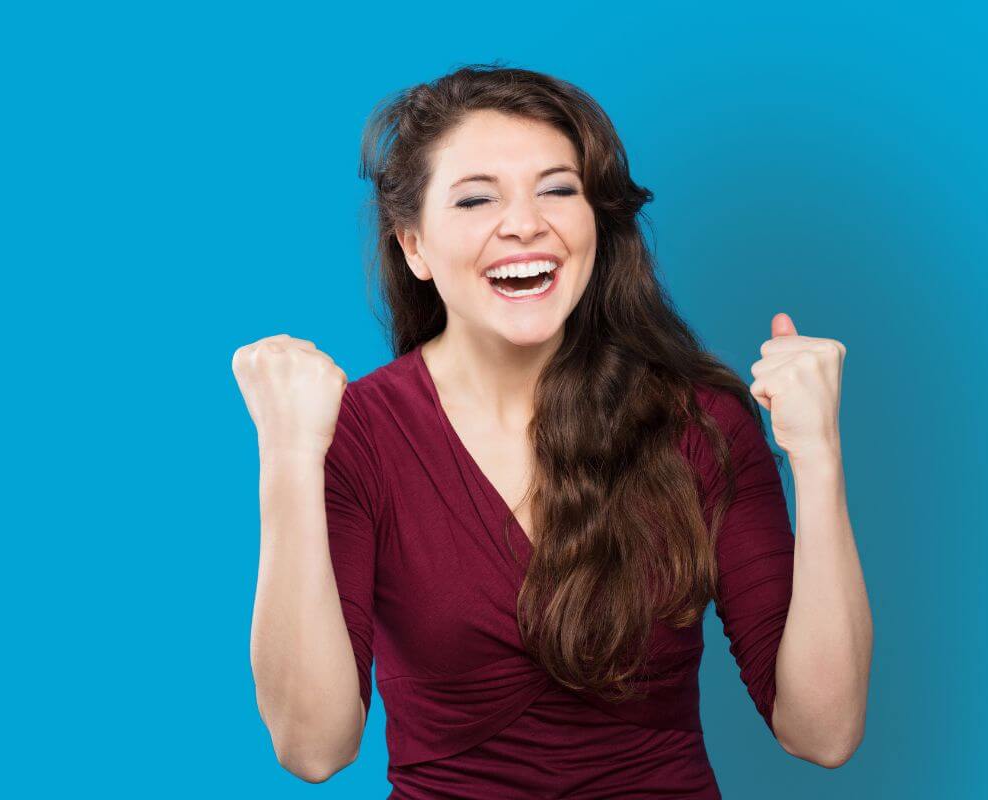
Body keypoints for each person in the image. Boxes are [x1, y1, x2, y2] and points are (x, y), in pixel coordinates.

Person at [233, 64, 872, 797]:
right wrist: (288, 455)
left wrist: (818, 452)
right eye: (476, 198)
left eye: (557, 189)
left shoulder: (698, 423)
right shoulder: (361, 437)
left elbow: (823, 731)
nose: (524, 223)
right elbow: (313, 748)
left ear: (595, 218)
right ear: (413, 245)